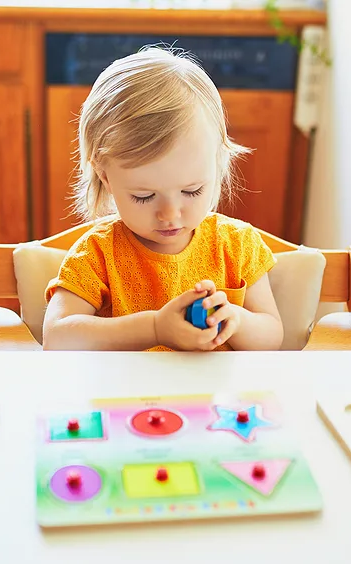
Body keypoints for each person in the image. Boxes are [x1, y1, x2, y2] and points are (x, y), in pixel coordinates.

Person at [42, 46, 283, 352]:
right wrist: (154, 328)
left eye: (191, 191)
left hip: (212, 397)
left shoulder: (236, 246)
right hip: (125, 398)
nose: (170, 214)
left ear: (218, 164)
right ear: (105, 176)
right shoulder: (98, 253)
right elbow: (57, 337)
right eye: (144, 196)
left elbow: (273, 336)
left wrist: (235, 319)